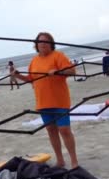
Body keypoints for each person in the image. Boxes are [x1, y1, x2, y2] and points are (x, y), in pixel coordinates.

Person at [12, 32, 79, 168]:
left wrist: (58, 71)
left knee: (65, 130)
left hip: (59, 101)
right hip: (43, 103)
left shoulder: (58, 56)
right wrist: (18, 76)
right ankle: (60, 160)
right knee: (51, 131)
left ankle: (74, 161)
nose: (43, 44)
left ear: (51, 44)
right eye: (40, 42)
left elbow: (72, 71)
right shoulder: (34, 61)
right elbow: (32, 79)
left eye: (46, 41)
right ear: (36, 45)